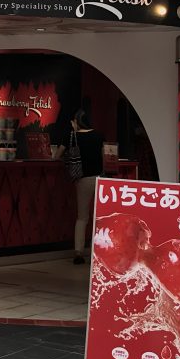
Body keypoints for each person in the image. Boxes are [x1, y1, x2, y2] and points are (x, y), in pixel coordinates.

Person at [54, 109, 104, 264]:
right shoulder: (98, 136)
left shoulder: (71, 136)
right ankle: (101, 251)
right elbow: (104, 156)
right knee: (100, 217)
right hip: (99, 178)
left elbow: (57, 155)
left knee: (82, 217)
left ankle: (78, 252)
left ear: (76, 122)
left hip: (82, 179)